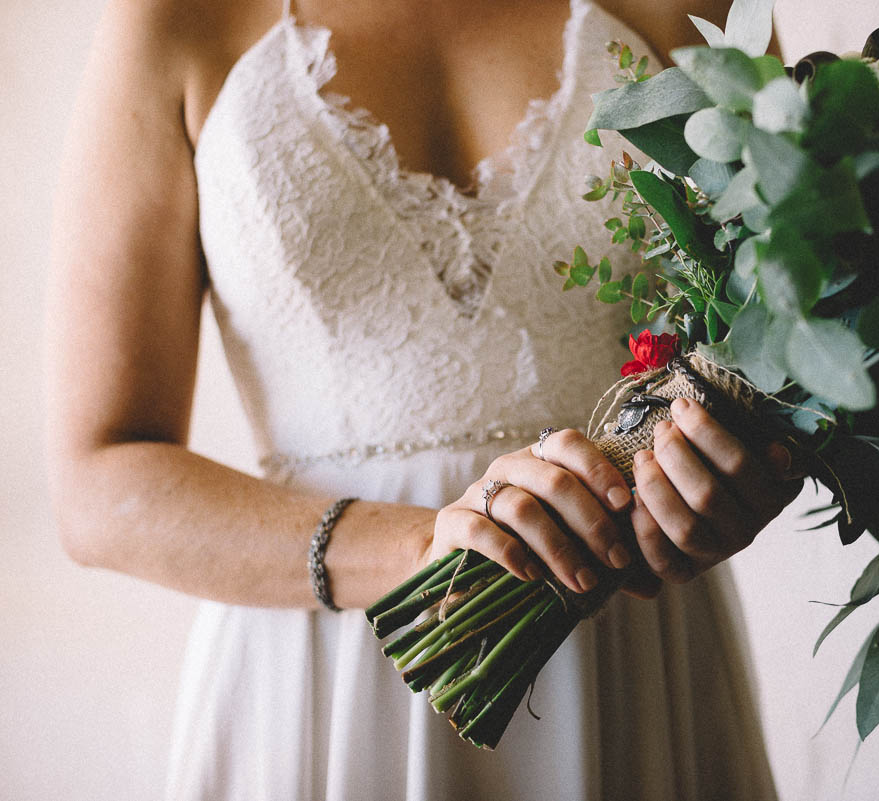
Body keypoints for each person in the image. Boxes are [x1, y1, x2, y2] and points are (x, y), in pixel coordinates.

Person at [46, 0, 795, 797]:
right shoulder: (176, 20)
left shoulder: (696, 8)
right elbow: (97, 479)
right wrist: (419, 548)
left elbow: (792, 349)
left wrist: (744, 472)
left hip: (628, 640)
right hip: (325, 673)